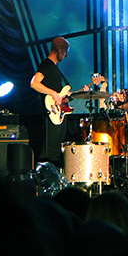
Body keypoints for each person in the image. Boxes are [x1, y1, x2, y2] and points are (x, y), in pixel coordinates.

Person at [30, 37, 101, 167]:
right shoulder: (47, 65)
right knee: (49, 150)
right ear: (59, 49)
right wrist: (53, 94)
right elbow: (34, 83)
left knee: (56, 149)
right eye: (65, 51)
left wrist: (81, 92)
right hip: (50, 113)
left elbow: (63, 95)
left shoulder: (55, 68)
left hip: (58, 113)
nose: (66, 55)